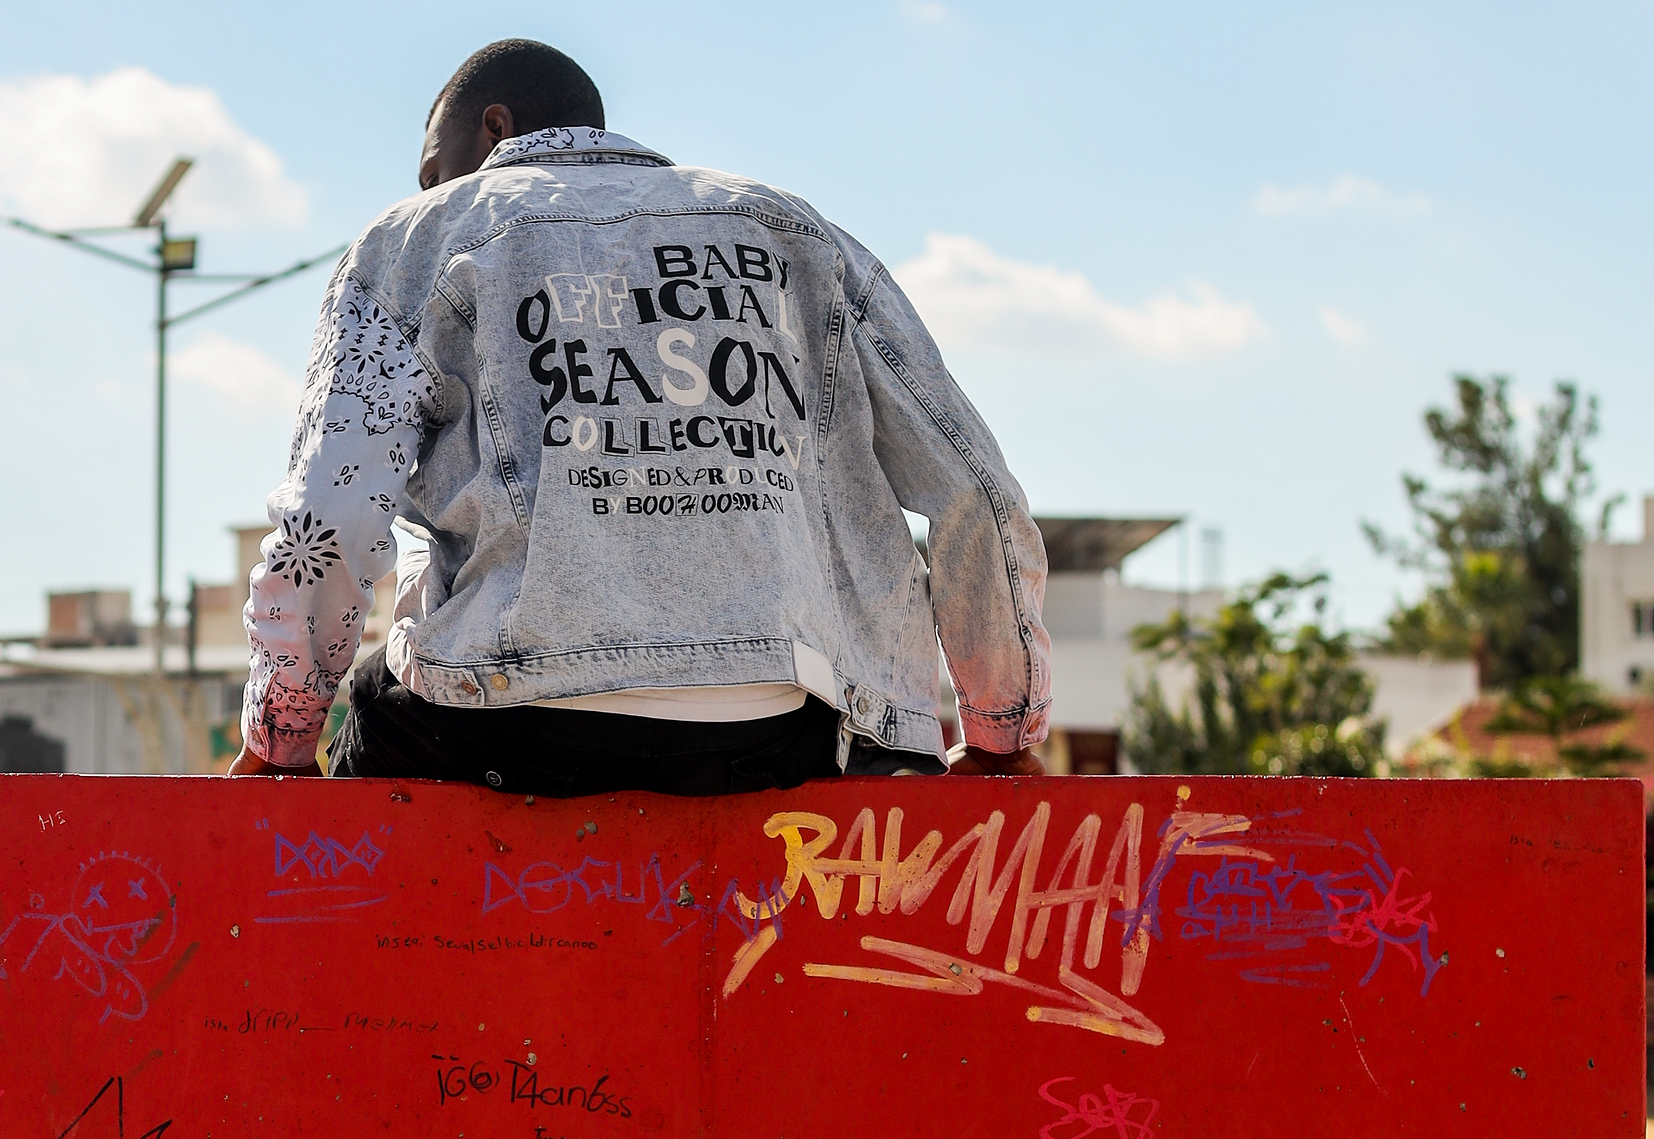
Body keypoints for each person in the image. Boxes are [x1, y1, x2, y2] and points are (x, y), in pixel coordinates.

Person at [233, 39, 1051, 793]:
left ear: (492, 127)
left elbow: (331, 515)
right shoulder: (795, 233)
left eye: (432, 166)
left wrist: (282, 736)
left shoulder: (418, 237)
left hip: (506, 723)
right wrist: (1000, 729)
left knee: (376, 726)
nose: (428, 187)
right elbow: (975, 488)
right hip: (782, 732)